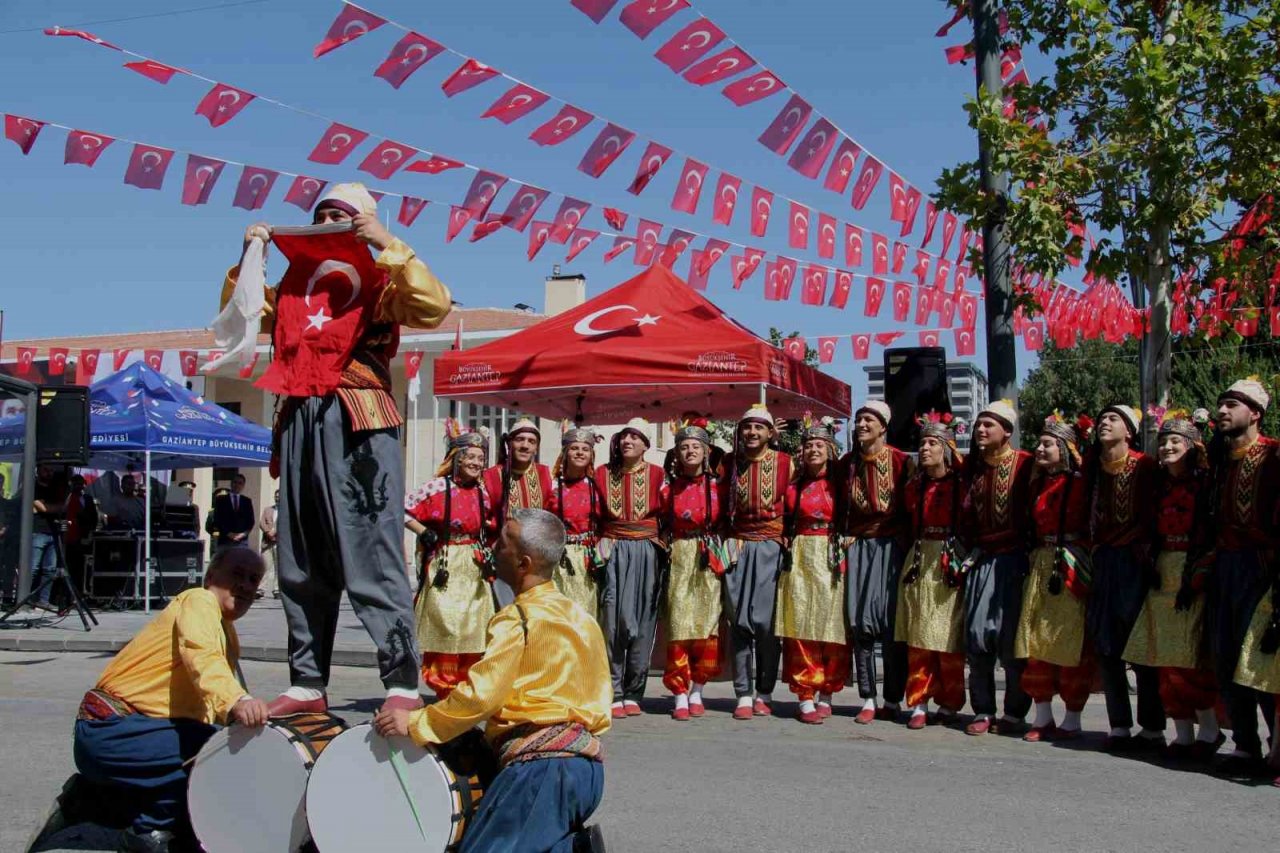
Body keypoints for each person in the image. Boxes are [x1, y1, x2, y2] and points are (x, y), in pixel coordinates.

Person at [227, 182, 451, 717]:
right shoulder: (293, 289)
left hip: (357, 414)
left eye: (343, 214)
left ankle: (400, 678)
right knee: (300, 554)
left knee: (372, 549)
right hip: (300, 412)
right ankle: (307, 681)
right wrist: (249, 258)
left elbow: (434, 306)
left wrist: (385, 241)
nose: (330, 220)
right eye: (322, 213)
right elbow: (241, 316)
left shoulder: (380, 279)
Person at [374, 509, 609, 853]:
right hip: (587, 770)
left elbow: (481, 697)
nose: (493, 548)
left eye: (502, 543)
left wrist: (415, 722)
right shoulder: (582, 619)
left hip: (540, 773)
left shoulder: (518, 618)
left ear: (523, 563)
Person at [53, 549, 268, 853]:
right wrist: (238, 701)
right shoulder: (199, 601)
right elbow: (200, 656)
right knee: (211, 753)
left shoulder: (226, 630)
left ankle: (101, 805)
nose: (245, 585)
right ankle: (143, 831)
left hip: (135, 730)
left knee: (216, 753)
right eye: (237, 574)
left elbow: (206, 702)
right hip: (111, 729)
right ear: (210, 577)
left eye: (253, 579)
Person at [1123, 410, 1222, 759]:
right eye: (1163, 441)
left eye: (1175, 441)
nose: (1166, 447)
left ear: (1193, 446)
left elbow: (1211, 535)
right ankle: (1182, 734)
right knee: (1162, 658)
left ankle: (1209, 731)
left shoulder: (1206, 485)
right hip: (1161, 570)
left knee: (1190, 657)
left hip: (1191, 572)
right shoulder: (1158, 487)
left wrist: (1196, 578)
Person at [1205, 378, 1279, 777]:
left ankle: (1276, 748)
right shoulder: (1219, 461)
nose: (1221, 412)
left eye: (1231, 404)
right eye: (1220, 404)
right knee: (1227, 657)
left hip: (1262, 566)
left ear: (1255, 413)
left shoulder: (1274, 455)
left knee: (1262, 661)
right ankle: (1245, 746)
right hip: (1224, 566)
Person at [1086, 403, 1165, 751]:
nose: (1104, 423)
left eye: (1113, 419)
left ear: (1129, 432)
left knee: (1140, 644)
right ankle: (1119, 724)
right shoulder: (1092, 468)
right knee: (1107, 645)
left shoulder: (1146, 467)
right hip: (1104, 559)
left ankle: (1152, 727)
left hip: (1135, 561)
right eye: (1101, 419)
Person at [1016, 414, 1094, 743]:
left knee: (1070, 639)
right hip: (1041, 563)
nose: (1039, 448)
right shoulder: (1037, 483)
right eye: (1039, 443)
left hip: (1071, 562)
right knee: (1036, 638)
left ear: (1065, 448)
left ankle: (1073, 716)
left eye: (1047, 443)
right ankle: (1043, 714)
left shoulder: (1082, 483)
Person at [405, 423, 497, 699]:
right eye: (470, 457)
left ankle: (465, 685)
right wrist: (424, 532)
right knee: (445, 622)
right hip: (444, 562)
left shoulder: (483, 492)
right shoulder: (435, 487)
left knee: (473, 624)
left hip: (472, 565)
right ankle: (443, 686)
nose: (476, 463)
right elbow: (401, 509)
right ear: (456, 458)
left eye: (480, 459)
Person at [960, 400, 1034, 736]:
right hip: (982, 559)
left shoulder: (1027, 465)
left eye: (989, 425)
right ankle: (983, 709)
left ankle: (1015, 713)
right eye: (978, 424)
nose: (980, 430)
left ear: (1007, 431)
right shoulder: (973, 469)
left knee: (1012, 642)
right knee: (977, 637)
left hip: (1016, 561)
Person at [840, 399, 914, 724]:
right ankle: (868, 697)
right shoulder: (846, 464)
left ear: (883, 426)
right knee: (860, 623)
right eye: (858, 420)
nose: (861, 425)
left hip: (892, 546)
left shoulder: (902, 462)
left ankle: (893, 698)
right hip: (858, 545)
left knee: (890, 624)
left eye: (868, 420)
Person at [897, 413, 968, 730]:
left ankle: (950, 702)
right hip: (919, 559)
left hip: (949, 560)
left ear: (946, 448)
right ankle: (919, 701)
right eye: (922, 443)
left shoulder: (962, 486)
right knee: (919, 635)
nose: (924, 449)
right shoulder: (913, 486)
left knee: (948, 637)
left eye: (931, 443)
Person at [721, 405, 792, 720]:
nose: (752, 433)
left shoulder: (787, 464)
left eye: (758, 428)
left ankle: (765, 690)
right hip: (737, 544)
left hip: (769, 545)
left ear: (770, 433)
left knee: (764, 623)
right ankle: (743, 694)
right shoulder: (728, 463)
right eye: (747, 427)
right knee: (738, 622)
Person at [777, 419, 848, 724]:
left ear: (831, 450)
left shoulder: (842, 484)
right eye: (808, 446)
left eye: (820, 445)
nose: (813, 450)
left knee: (832, 625)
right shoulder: (793, 486)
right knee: (801, 622)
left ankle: (828, 692)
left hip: (831, 553)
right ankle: (805, 693)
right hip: (801, 553)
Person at [596, 419, 667, 718]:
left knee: (643, 617)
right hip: (613, 547)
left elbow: (669, 511)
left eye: (635, 437)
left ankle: (635, 690)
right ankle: (613, 689)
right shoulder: (601, 474)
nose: (628, 441)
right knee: (612, 619)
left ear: (646, 445)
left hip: (647, 548)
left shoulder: (659, 475)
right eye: (625, 436)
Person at [661, 418, 725, 721]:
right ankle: (679, 692)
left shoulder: (719, 487)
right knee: (678, 625)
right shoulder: (667, 489)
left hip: (708, 555)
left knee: (707, 624)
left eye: (695, 447)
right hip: (679, 555)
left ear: (706, 451)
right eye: (684, 447)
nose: (690, 451)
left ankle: (698, 688)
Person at [548, 424, 604, 621]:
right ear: (565, 453)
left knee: (585, 614)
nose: (580, 453)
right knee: (560, 614)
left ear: (591, 455)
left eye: (585, 449)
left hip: (589, 559)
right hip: (559, 557)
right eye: (574, 448)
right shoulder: (552, 486)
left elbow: (607, 524)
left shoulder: (596, 487)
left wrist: (602, 555)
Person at [31, 464, 69, 606]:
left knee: (50, 569)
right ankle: (27, 599)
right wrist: (55, 507)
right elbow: (43, 508)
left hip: (53, 532)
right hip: (37, 531)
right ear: (38, 470)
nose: (49, 473)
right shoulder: (32, 486)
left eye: (51, 470)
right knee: (32, 568)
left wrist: (54, 507)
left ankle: (43, 601)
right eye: (46, 470)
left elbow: (61, 507)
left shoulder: (55, 488)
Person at [62, 474, 99, 608]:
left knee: (81, 569)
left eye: (81, 483)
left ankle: (79, 596)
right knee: (67, 568)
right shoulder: (68, 498)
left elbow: (93, 518)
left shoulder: (87, 499)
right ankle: (65, 597)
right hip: (68, 538)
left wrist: (89, 534)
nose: (79, 486)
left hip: (82, 538)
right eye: (75, 483)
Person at [211, 473, 254, 550]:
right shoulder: (221, 500)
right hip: (225, 540)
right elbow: (217, 520)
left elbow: (251, 521)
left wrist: (243, 534)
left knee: (240, 562)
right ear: (231, 483)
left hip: (241, 541)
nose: (237, 485)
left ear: (243, 486)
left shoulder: (247, 501)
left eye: (240, 483)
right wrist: (228, 534)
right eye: (235, 482)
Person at [259, 490, 279, 598]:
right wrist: (268, 532)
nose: (277, 498)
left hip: (280, 543)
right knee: (265, 566)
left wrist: (275, 531)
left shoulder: (287, 510)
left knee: (278, 567)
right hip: (267, 542)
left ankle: (277, 589)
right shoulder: (268, 510)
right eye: (276, 496)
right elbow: (262, 522)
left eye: (279, 496)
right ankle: (261, 589)